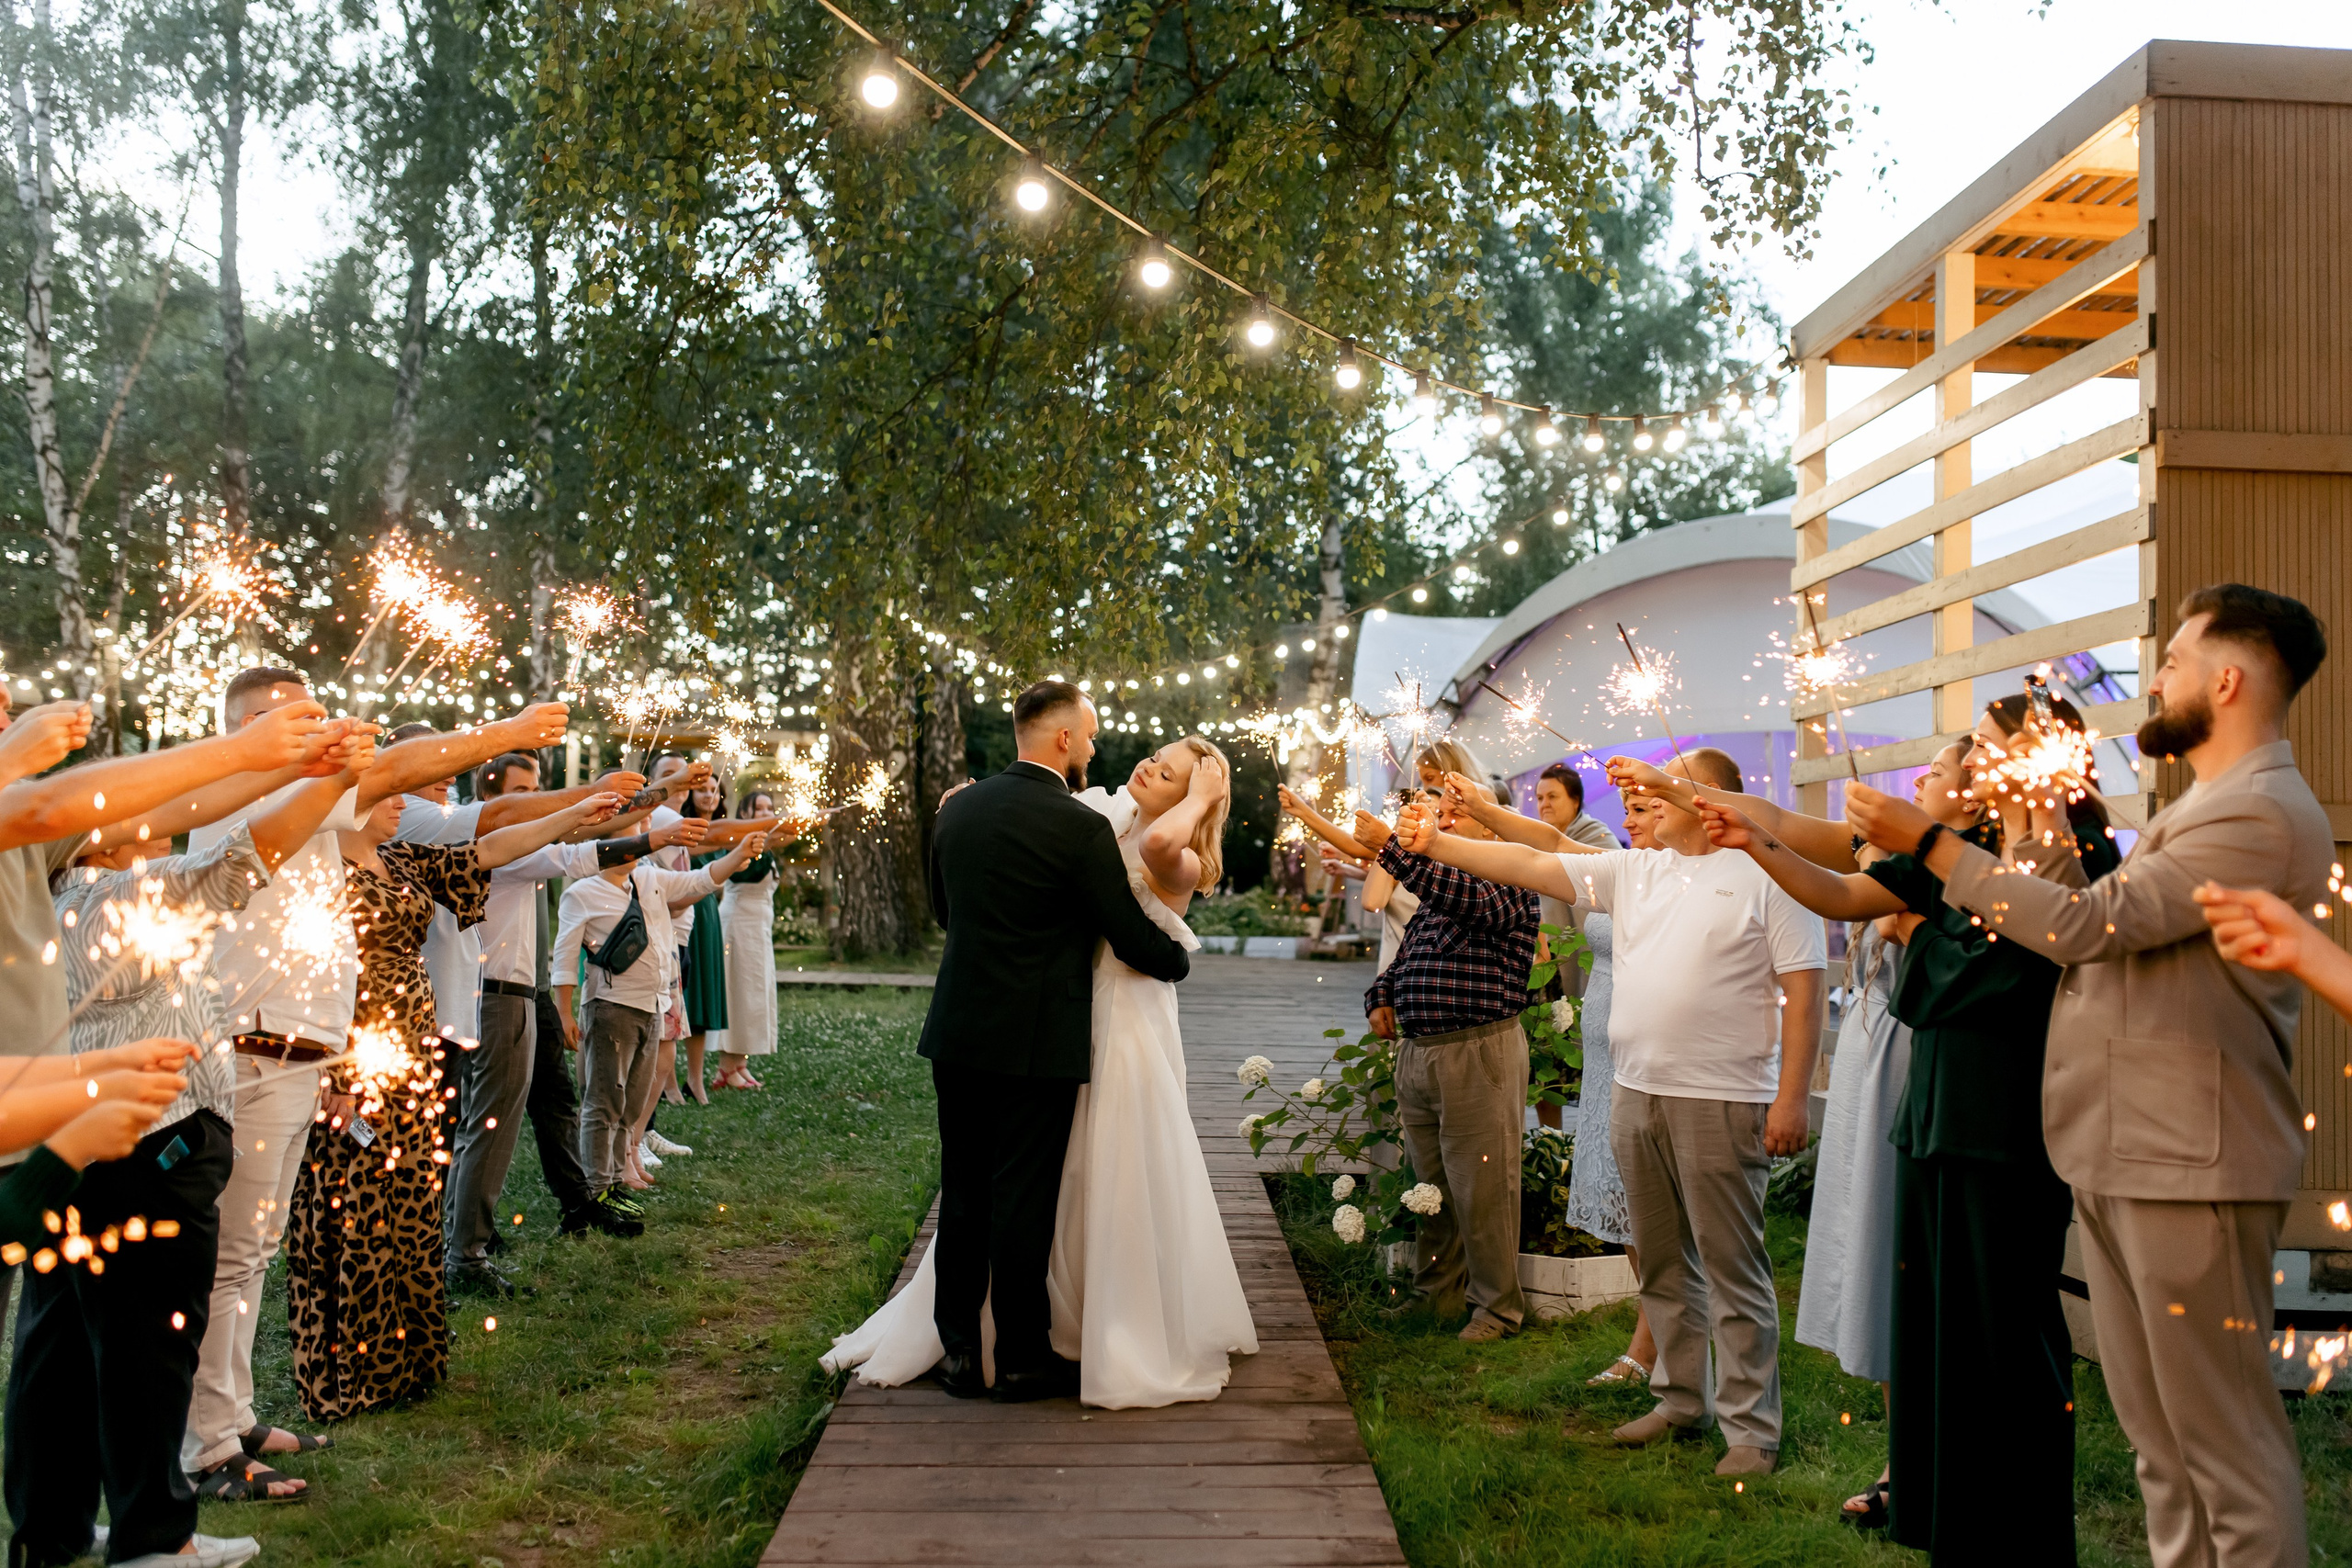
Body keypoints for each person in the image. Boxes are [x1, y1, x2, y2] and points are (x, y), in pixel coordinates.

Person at [1846, 585, 2330, 1568]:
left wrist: (1929, 845)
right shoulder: (2199, 807)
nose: (2156, 679)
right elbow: (2088, 918)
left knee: (2221, 1445)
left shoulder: (2256, 812)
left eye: (2176, 661)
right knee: (2162, 1446)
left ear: (2226, 679)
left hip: (2190, 1158)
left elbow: (2086, 931)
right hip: (2126, 1151)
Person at [183, 673, 571, 1495]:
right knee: (228, 1259)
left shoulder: (307, 806)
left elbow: (404, 808)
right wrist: (506, 731)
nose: (323, 732)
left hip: (300, 1055)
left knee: (253, 1252)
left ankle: (236, 1413)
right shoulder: (240, 792)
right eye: (304, 718)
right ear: (252, 727)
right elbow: (394, 774)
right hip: (250, 1052)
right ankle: (207, 1444)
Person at [1392, 747, 1825, 1476]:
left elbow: (1805, 990)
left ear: (1714, 797)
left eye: (1666, 785)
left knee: (1731, 1264)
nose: (1645, 796)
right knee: (1659, 1258)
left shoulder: (1767, 875)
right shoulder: (1639, 868)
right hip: (1634, 1088)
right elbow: (1530, 866)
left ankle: (1753, 1429)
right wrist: (1435, 841)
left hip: (1722, 1092)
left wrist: (1791, 1097)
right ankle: (1681, 1398)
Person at [10, 730, 375, 1547]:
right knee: (151, 1346)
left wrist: (303, 771)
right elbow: (247, 853)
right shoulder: (121, 897)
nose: (159, 817)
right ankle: (154, 1539)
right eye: (137, 808)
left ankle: (50, 1527)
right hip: (153, 1146)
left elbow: (218, 826)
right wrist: (333, 775)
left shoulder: (50, 902)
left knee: (57, 1347)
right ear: (94, 830)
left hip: (75, 1146)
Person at [828, 729, 1254, 1407]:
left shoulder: (1178, 854)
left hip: (1125, 1020)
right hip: (1065, 1014)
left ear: (1193, 797)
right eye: (1155, 756)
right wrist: (969, 804)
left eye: (1168, 771)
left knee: (1102, 1168)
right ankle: (1016, 1337)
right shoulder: (1100, 816)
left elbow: (1154, 852)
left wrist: (1203, 795)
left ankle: (1100, 1323)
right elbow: (1033, 815)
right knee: (1047, 1177)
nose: (1148, 766)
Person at [284, 784, 623, 1421]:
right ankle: (350, 1369)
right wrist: (327, 1065)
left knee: (411, 1199)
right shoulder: (317, 868)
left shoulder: (406, 856)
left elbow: (490, 849)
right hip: (351, 1052)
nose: (401, 803)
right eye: (385, 793)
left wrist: (572, 816)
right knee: (357, 1207)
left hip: (414, 1049)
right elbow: (304, 969)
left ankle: (407, 1361)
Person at [446, 754, 696, 1289]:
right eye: (522, 791)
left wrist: (660, 790)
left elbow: (588, 830)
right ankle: (466, 1252)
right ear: (493, 800)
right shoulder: (498, 848)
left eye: (538, 788)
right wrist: (650, 828)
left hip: (519, 991)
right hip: (496, 992)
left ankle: (552, 1211)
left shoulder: (514, 841)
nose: (535, 799)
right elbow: (588, 849)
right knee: (486, 1128)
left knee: (533, 1109)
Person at [1351, 777, 1542, 1345]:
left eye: (1461, 816)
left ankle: (1496, 1310)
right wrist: (1381, 995)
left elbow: (1464, 901)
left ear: (1494, 827)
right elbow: (1408, 953)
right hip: (1422, 1051)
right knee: (1429, 1187)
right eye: (1447, 816)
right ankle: (1436, 1296)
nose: (1448, 824)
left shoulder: (1507, 878)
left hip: (1477, 1050)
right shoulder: (1441, 892)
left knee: (1484, 1187)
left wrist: (1391, 847)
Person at [550, 824, 767, 1215]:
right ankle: (598, 1189)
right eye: (626, 841)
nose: (634, 849)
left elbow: (699, 880)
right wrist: (564, 1012)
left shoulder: (649, 879)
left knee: (632, 1103)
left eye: (637, 841)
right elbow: (565, 958)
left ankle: (615, 1180)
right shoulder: (579, 894)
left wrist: (737, 855)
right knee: (603, 1102)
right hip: (609, 1008)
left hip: (654, 1005)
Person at [708, 789, 783, 1090]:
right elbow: (742, 876)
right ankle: (726, 1067)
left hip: (758, 929)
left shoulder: (766, 843)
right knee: (736, 992)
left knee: (752, 995)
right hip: (737, 927)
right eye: (758, 808)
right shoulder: (738, 842)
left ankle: (740, 1063)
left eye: (769, 808)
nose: (765, 813)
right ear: (746, 813)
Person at [675, 772, 729, 1106]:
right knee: (682, 998)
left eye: (714, 789)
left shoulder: (723, 831)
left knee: (702, 1001)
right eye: (702, 789)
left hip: (709, 914)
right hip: (685, 912)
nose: (709, 795)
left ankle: (695, 1079)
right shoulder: (681, 828)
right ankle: (669, 1082)